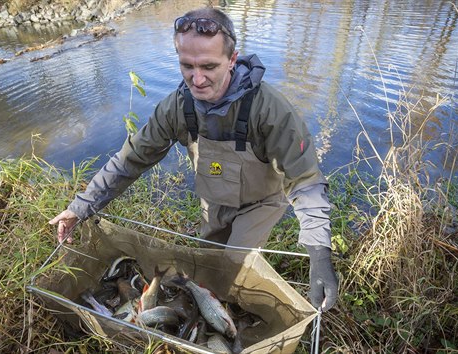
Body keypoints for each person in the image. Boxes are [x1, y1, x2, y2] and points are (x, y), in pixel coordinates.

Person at [49, 7, 338, 312]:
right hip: (212, 199)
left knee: (234, 263)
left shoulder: (271, 110)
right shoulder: (177, 106)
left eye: (209, 66)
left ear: (232, 59)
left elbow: (306, 182)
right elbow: (129, 160)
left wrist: (319, 254)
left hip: (261, 202)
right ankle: (211, 305)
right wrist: (80, 207)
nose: (196, 79)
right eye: (186, 65)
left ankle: (234, 308)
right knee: (208, 263)